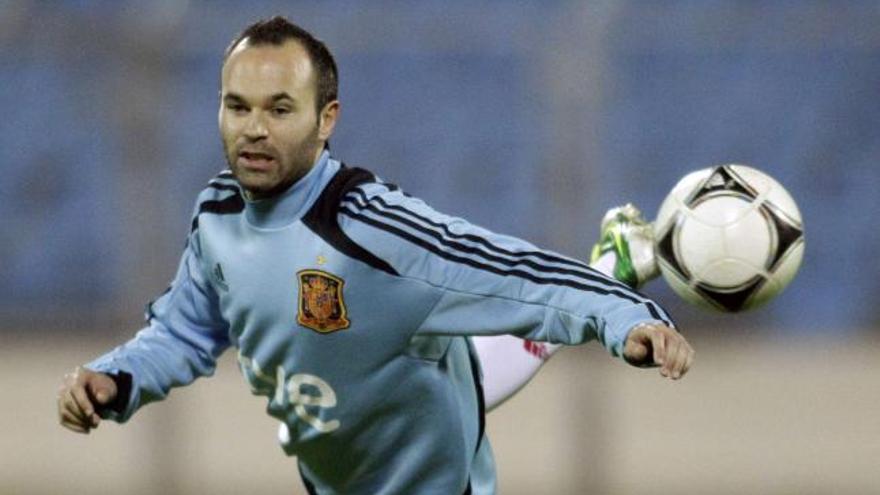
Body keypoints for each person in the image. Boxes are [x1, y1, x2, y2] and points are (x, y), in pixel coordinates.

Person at [56, 16, 694, 494]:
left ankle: (610, 274)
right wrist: (117, 379)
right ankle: (612, 258)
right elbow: (185, 329)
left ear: (325, 118)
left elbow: (515, 277)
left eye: (280, 109)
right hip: (337, 462)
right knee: (456, 363)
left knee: (470, 351)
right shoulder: (218, 216)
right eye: (237, 106)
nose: (254, 127)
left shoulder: (372, 232)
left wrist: (628, 317)